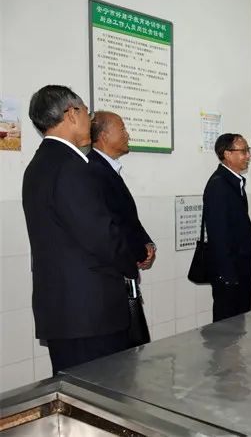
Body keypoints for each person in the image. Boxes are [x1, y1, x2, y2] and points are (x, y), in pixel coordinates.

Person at [22, 85, 136, 374]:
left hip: (64, 313)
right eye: (87, 112)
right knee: (103, 392)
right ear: (72, 114)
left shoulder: (38, 165)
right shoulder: (72, 167)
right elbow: (101, 235)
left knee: (75, 393)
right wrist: (130, 261)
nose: (90, 119)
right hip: (90, 314)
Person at [88, 111, 156, 347]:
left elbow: (128, 217)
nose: (128, 134)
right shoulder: (93, 170)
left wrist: (146, 244)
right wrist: (136, 253)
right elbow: (109, 224)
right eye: (122, 129)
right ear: (104, 136)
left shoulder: (108, 169)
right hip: (110, 278)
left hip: (124, 270)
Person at [203, 133, 251, 322]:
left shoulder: (233, 181)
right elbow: (218, 233)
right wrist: (227, 274)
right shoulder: (219, 185)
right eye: (243, 151)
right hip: (230, 271)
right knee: (226, 324)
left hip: (240, 267)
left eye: (248, 150)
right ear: (227, 154)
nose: (248, 155)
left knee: (239, 320)